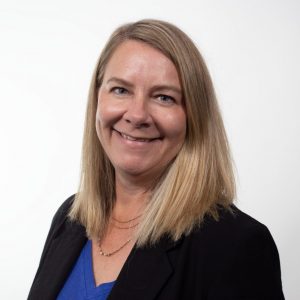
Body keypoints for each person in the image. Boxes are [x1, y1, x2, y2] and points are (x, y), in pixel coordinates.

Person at [28, 19, 285, 300]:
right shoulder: (69, 219)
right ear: (97, 99)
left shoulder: (235, 245)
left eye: (164, 97)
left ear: (194, 117)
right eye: (121, 90)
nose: (137, 115)